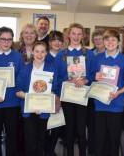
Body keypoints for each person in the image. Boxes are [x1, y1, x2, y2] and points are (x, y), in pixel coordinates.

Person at [54, 23, 95, 156]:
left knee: (82, 130)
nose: (76, 36)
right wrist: (66, 80)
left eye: (79, 34)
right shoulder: (61, 54)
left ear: (83, 36)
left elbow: (94, 74)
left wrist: (86, 80)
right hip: (67, 95)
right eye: (73, 33)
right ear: (68, 35)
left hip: (83, 96)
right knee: (69, 130)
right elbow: (56, 76)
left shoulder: (88, 54)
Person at [93, 29, 124, 156]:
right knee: (99, 139)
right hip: (100, 103)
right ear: (103, 42)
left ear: (118, 42)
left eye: (113, 40)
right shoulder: (97, 58)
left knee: (114, 139)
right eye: (107, 39)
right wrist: (95, 76)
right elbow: (89, 77)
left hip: (116, 104)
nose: (110, 42)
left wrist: (118, 92)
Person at [16, 41, 59, 156]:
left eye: (43, 52)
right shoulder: (25, 69)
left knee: (42, 140)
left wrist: (45, 100)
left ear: (46, 53)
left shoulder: (51, 69)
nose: (40, 54)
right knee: (30, 142)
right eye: (37, 51)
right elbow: (18, 91)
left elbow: (54, 89)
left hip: (44, 110)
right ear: (32, 53)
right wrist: (32, 100)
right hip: (28, 110)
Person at [0, 27, 24, 156]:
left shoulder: (18, 56)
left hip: (12, 103)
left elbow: (21, 77)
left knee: (12, 136)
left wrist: (19, 90)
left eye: (9, 39)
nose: (6, 42)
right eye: (3, 39)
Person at [44, 30, 66, 156]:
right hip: (47, 94)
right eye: (54, 40)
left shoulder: (64, 56)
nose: (57, 43)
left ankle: (51, 150)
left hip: (62, 94)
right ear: (49, 42)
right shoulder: (45, 56)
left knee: (57, 124)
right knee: (45, 124)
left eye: (59, 40)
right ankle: (46, 150)